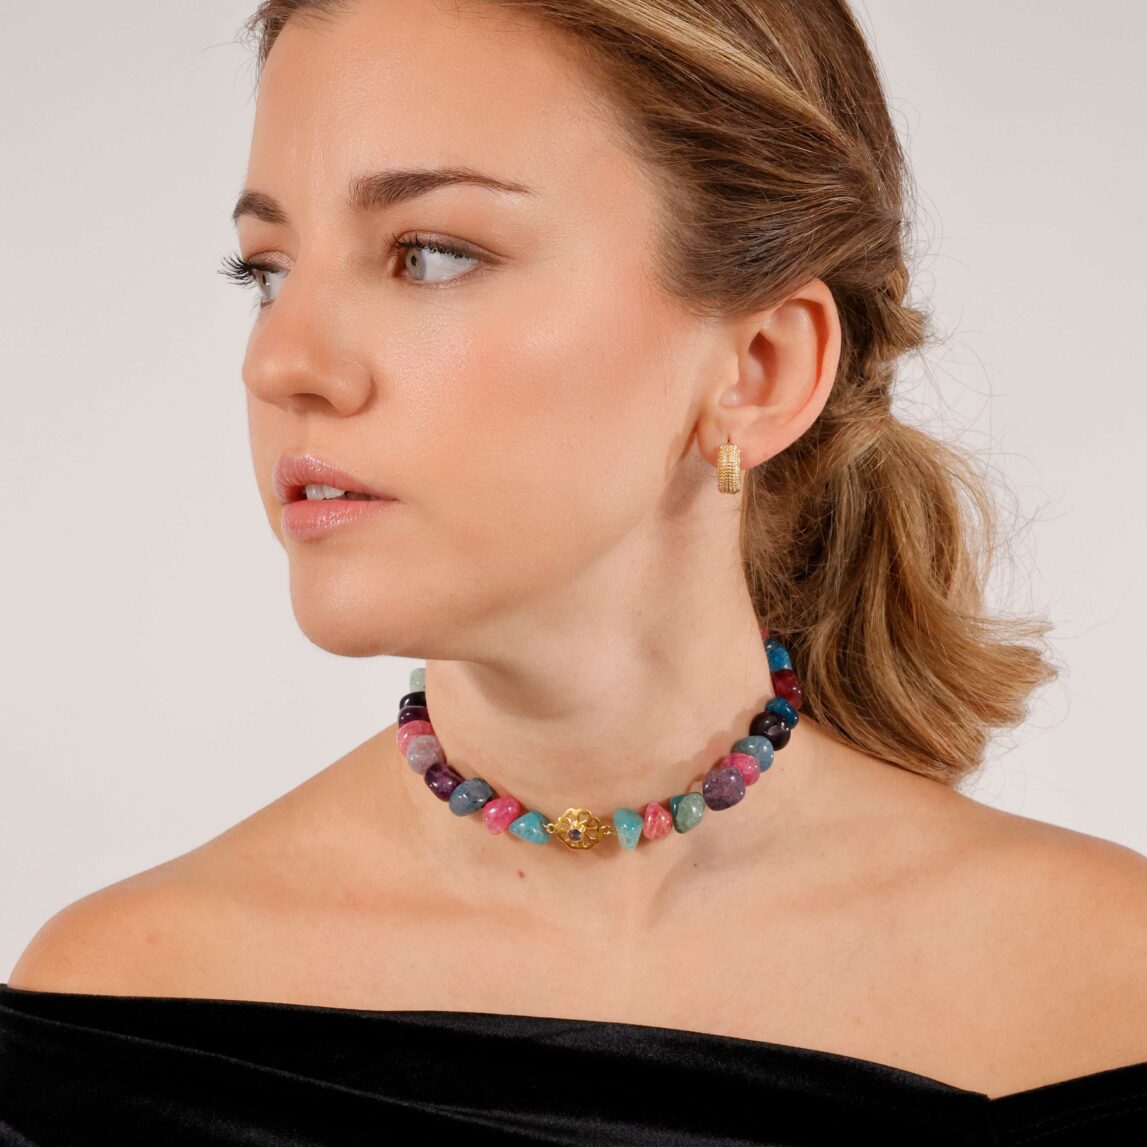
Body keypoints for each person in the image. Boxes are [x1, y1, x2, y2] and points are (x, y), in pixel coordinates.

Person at [2, 0, 1145, 1142]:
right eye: (266, 270)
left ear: (759, 368)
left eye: (429, 254)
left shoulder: (1104, 991)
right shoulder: (118, 1018)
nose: (281, 361)